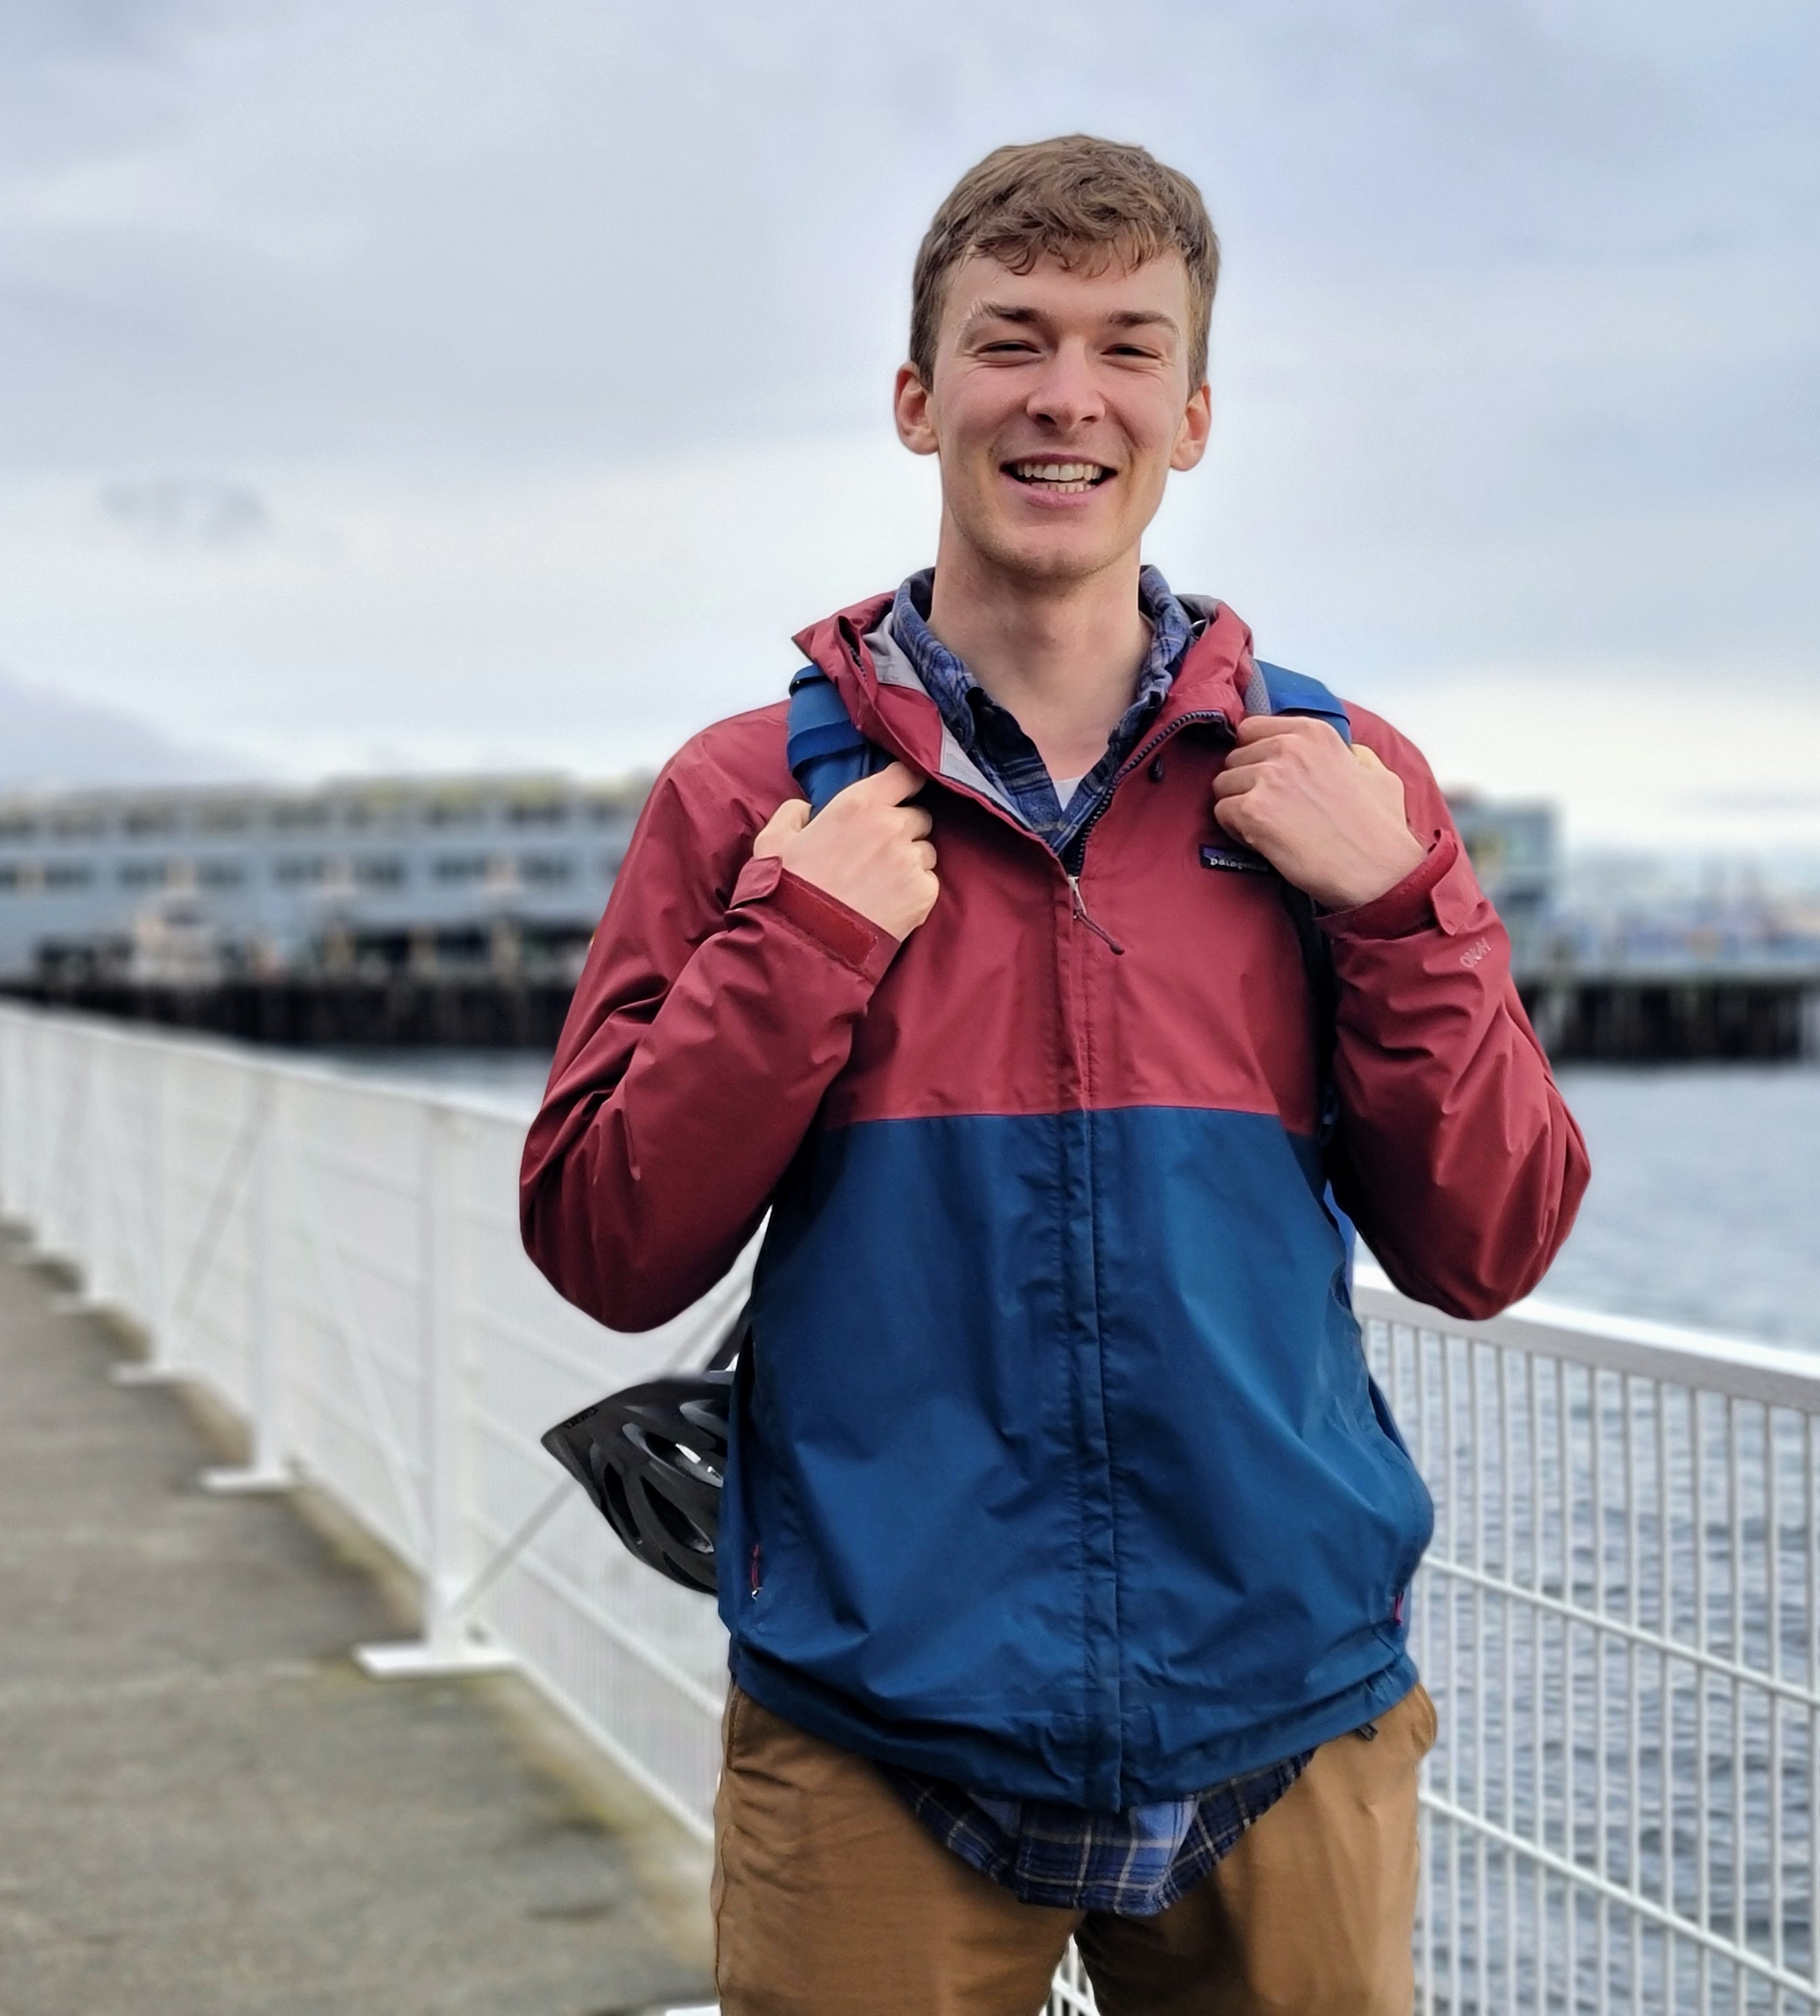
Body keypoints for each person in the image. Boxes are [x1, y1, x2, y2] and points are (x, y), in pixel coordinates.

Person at [518, 136, 1589, 2015]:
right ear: (920, 399)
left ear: (1192, 411)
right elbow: (606, 1242)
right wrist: (801, 947)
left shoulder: (1349, 793)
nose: (1065, 396)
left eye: (1124, 347)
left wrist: (1406, 908)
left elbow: (1491, 1243)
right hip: (877, 1712)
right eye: (1013, 341)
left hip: (1288, 1704)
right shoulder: (746, 802)